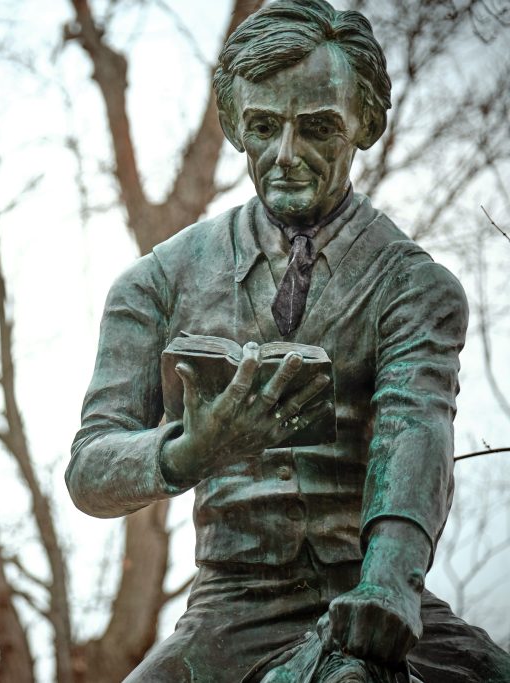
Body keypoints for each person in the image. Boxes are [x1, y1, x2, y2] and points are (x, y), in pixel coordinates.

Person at [66, 1, 510, 681]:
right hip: (226, 611)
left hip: (371, 597)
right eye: (264, 127)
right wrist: (190, 450)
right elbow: (91, 468)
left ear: (366, 122)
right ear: (235, 125)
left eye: (318, 128)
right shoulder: (156, 284)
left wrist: (388, 581)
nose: (286, 155)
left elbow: (414, 427)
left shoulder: (414, 287)